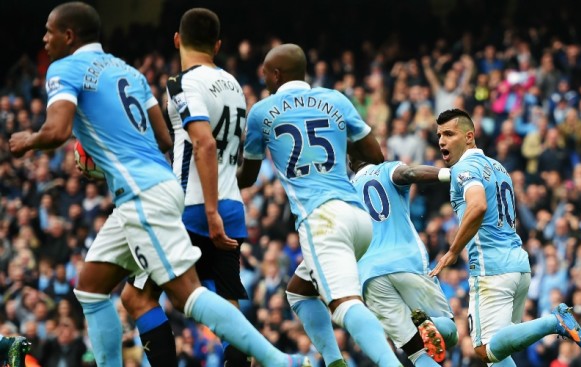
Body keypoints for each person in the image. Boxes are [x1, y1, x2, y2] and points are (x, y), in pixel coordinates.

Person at [9, 3, 308, 367]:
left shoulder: (67, 69)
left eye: (49, 31)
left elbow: (56, 131)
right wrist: (109, 160)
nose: (44, 39)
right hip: (180, 192)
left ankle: (281, 361)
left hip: (156, 197)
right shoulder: (130, 71)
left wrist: (28, 140)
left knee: (184, 295)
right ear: (216, 44)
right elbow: (164, 139)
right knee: (90, 287)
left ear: (68, 35)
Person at [238, 43, 403, 367]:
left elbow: (248, 177)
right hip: (357, 217)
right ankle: (334, 362)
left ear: (275, 74)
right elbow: (375, 155)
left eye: (265, 75)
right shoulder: (336, 99)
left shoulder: (262, 111)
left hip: (321, 219)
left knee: (344, 304)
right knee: (300, 291)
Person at [119, 8, 249, 367]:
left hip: (189, 208)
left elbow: (204, 144)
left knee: (137, 299)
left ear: (177, 39)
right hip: (231, 204)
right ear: (218, 45)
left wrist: (208, 213)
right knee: (226, 305)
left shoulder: (180, 83)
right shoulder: (235, 85)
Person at [429, 109, 581, 367]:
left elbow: (478, 205)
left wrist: (452, 250)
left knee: (484, 349)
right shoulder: (498, 167)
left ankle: (554, 322)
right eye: (439, 135)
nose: (441, 141)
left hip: (491, 270)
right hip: (518, 266)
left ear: (469, 136)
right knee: (500, 352)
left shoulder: (465, 167)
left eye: (449, 134)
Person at [348, 155, 459, 367]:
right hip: (405, 262)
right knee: (451, 334)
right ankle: (429, 323)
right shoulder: (386, 169)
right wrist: (450, 174)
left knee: (418, 354)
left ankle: (423, 327)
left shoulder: (344, 192)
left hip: (369, 276)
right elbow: (409, 173)